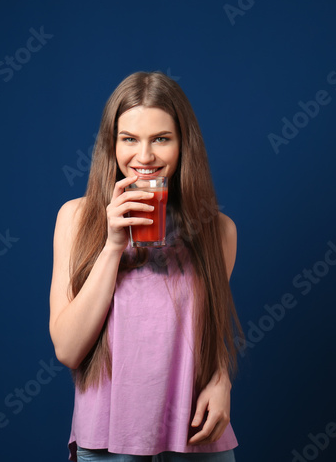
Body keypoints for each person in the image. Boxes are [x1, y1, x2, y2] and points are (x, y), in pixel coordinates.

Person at [49, 71, 243, 462]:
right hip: (108, 438)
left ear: (184, 144)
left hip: (195, 434)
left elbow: (208, 333)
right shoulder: (77, 218)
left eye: (161, 139)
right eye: (130, 139)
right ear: (112, 143)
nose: (145, 156)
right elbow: (68, 349)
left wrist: (223, 382)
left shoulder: (218, 231)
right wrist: (112, 245)